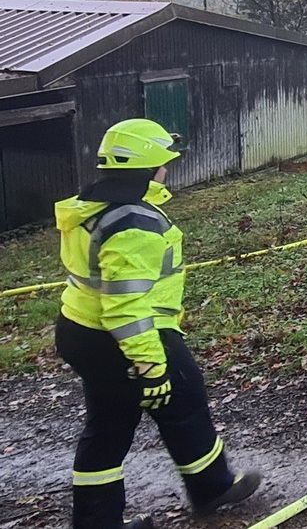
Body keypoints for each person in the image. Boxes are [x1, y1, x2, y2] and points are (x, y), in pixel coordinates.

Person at [54, 119, 260, 528]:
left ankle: (99, 523)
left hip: (80, 329)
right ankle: (212, 487)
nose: (168, 168)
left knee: (109, 425)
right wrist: (150, 367)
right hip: (126, 335)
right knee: (181, 398)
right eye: (164, 161)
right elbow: (124, 306)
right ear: (148, 167)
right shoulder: (135, 223)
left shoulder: (93, 203)